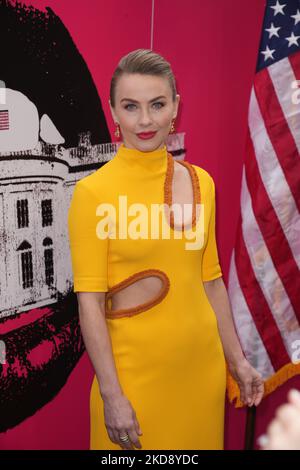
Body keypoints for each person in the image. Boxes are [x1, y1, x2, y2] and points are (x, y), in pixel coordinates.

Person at [67, 48, 264, 451]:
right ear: (113, 112)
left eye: (157, 104)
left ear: (175, 107)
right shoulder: (92, 194)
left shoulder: (202, 183)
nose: (145, 120)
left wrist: (236, 361)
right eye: (130, 106)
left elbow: (211, 282)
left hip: (200, 373)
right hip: (132, 381)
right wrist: (111, 395)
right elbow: (90, 303)